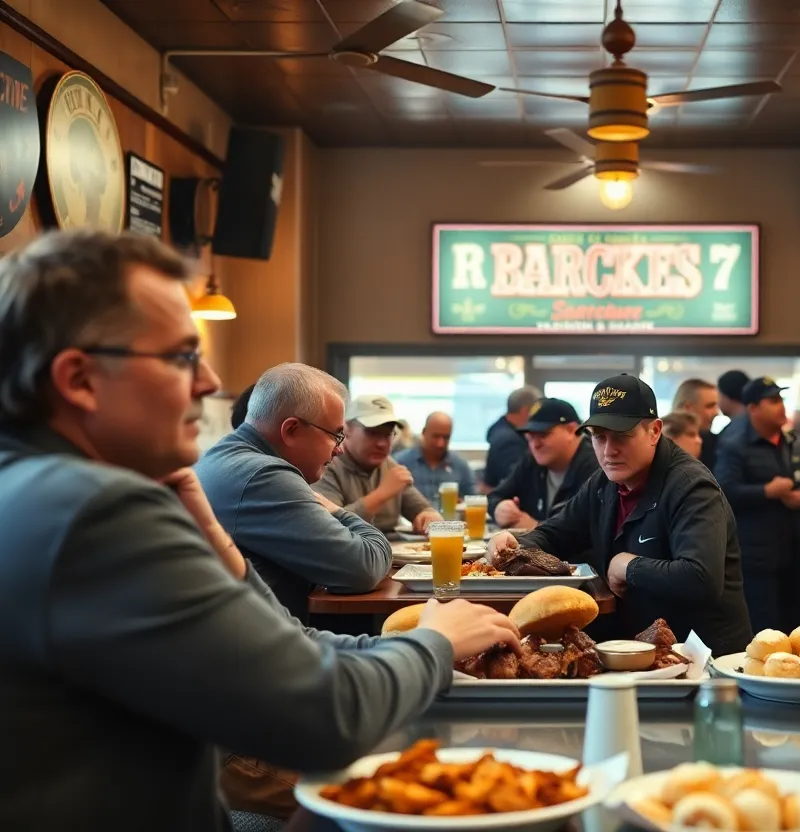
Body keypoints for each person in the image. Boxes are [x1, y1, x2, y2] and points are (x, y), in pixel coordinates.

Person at [0, 229, 520, 831]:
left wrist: (226, 556)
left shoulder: (40, 488)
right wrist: (434, 643)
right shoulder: (93, 514)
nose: (208, 380)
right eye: (182, 356)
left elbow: (279, 648)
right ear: (79, 379)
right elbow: (326, 716)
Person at [487, 374, 753, 654]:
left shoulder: (691, 487)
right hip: (639, 650)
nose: (609, 451)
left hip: (702, 658)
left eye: (622, 437)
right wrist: (514, 545)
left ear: (654, 431)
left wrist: (629, 566)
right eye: (599, 438)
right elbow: (556, 533)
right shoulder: (604, 482)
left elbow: (702, 578)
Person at [196, 363, 393, 620]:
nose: (339, 449)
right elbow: (363, 568)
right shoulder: (264, 476)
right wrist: (338, 513)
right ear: (291, 430)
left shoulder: (228, 457)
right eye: (336, 435)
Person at [715, 376, 800, 633]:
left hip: (797, 551)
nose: (781, 406)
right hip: (758, 557)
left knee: (797, 625)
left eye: (781, 399)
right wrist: (765, 491)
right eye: (772, 401)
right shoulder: (735, 445)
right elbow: (723, 491)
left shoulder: (798, 441)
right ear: (753, 408)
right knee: (765, 627)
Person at [315, 394, 443, 534]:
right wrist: (381, 495)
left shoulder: (388, 465)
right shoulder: (325, 465)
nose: (382, 444)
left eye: (388, 434)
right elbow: (328, 528)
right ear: (347, 429)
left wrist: (428, 515)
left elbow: (422, 508)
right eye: (372, 433)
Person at [489, 398, 599, 531]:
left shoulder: (595, 466)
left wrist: (538, 529)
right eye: (530, 436)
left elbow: (590, 531)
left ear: (571, 430)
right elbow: (495, 496)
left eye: (543, 435)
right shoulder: (532, 461)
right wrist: (499, 508)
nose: (535, 444)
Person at [394, 411, 477, 506]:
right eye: (436, 436)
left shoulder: (460, 465)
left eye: (446, 437)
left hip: (449, 519)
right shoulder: (401, 462)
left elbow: (473, 501)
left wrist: (461, 504)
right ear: (424, 433)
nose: (440, 443)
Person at [484, 385, 541, 489]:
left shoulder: (500, 431)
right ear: (526, 411)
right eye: (538, 411)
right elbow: (517, 481)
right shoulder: (509, 440)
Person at [672, 377, 720, 471]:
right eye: (710, 406)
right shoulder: (658, 445)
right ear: (687, 408)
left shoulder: (716, 444)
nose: (716, 412)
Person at [716, 369, 750, 441]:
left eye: (719, 395)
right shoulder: (758, 424)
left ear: (726, 396)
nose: (717, 402)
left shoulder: (730, 434)